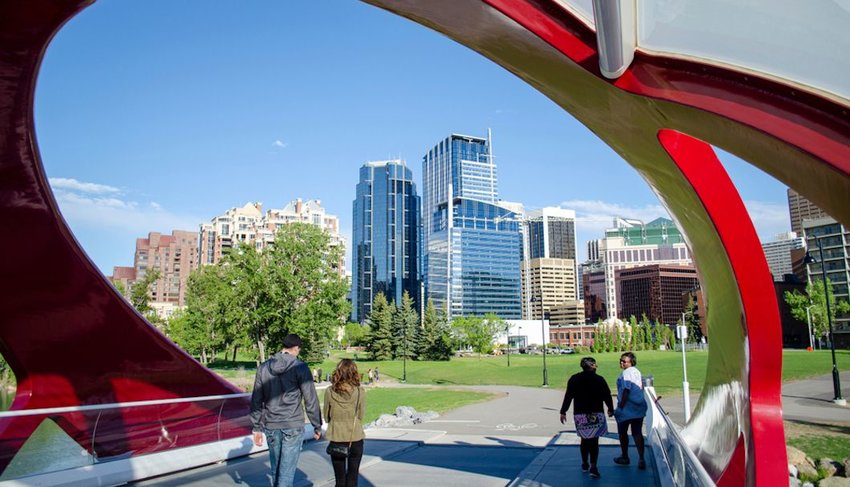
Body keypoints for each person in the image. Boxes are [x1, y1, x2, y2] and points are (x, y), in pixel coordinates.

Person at [250, 334, 322, 487]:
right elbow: (310, 399)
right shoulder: (300, 367)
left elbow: (256, 399)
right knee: (286, 474)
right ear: (296, 348)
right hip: (292, 424)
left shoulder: (263, 368)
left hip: (271, 424)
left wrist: (256, 427)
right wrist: (317, 425)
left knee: (277, 471)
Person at [560, 357, 614, 479]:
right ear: (592, 366)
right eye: (595, 365)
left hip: (580, 415)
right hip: (596, 414)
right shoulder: (599, 379)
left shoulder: (574, 379)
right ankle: (594, 466)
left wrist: (563, 411)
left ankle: (585, 463)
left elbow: (568, 396)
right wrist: (610, 408)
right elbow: (607, 395)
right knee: (594, 441)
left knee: (584, 439)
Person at [324, 359, 367, 487]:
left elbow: (326, 415)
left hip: (336, 435)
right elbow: (361, 414)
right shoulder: (359, 391)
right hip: (354, 436)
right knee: (353, 477)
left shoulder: (329, 391)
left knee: (339, 479)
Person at [614, 351, 648, 469]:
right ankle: (641, 458)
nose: (622, 363)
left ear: (631, 362)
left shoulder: (626, 374)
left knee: (623, 433)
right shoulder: (637, 372)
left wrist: (621, 407)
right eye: (621, 360)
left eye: (624, 361)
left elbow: (626, 391)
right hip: (639, 407)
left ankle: (625, 456)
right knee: (637, 432)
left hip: (627, 408)